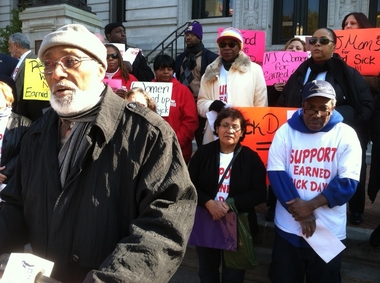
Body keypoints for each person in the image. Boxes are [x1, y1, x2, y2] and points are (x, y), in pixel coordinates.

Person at [0, 24, 197, 283]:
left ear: (100, 69)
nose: (56, 72)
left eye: (70, 60)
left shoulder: (148, 134)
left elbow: (162, 229)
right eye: (48, 64)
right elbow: (16, 206)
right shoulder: (36, 134)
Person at [277, 27, 374, 225]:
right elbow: (285, 100)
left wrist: (330, 117)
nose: (317, 45)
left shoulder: (349, 74)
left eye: (323, 41)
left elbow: (366, 106)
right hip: (300, 137)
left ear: (334, 45)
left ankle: (354, 210)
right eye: (313, 41)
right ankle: (291, 205)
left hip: (333, 138)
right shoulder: (300, 71)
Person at [267, 80, 362, 283]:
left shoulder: (346, 135)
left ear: (333, 108)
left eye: (323, 109)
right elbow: (276, 173)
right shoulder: (285, 132)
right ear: (302, 107)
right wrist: (301, 214)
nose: (316, 114)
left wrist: (309, 206)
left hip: (328, 231)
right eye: (310, 108)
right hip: (288, 229)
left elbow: (348, 182)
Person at [188, 107, 267, 282]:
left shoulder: (251, 158)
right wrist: (209, 203)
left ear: (242, 132)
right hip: (207, 220)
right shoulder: (203, 153)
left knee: (234, 276)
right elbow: (188, 185)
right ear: (216, 128)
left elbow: (260, 193)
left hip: (238, 224)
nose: (229, 130)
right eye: (225, 125)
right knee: (207, 273)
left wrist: (229, 204)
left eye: (235, 127)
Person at [197, 27, 267, 145]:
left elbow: (261, 105)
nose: (227, 48)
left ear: (239, 47)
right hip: (215, 133)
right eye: (223, 45)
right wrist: (211, 105)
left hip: (243, 132)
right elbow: (200, 104)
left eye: (232, 44)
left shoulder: (255, 70)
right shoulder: (209, 72)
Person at [266, 37, 307, 222]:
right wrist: (274, 89)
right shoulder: (273, 71)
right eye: (291, 47)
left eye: (298, 48)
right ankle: (271, 204)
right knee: (277, 165)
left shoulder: (307, 72)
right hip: (281, 125)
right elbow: (267, 101)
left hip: (303, 125)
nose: (294, 50)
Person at [175, 21, 218, 148]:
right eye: (186, 34)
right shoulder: (180, 58)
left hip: (200, 103)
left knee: (203, 140)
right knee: (183, 137)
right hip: (183, 104)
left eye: (192, 34)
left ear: (199, 37)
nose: (188, 37)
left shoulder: (211, 58)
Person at [153, 54, 198, 163]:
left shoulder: (183, 91)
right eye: (162, 69)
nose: (166, 72)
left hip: (178, 150)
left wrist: (174, 141)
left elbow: (190, 121)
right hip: (152, 150)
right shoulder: (146, 90)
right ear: (155, 71)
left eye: (169, 69)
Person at [8, 33, 50, 121]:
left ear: (16, 45)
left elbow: (37, 95)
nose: (8, 49)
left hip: (30, 116)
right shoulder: (18, 61)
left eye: (10, 45)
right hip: (18, 113)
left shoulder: (35, 61)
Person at [0, 81, 31, 202]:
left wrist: (5, 173)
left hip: (10, 183)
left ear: (7, 98)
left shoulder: (24, 123)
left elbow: (25, 151)